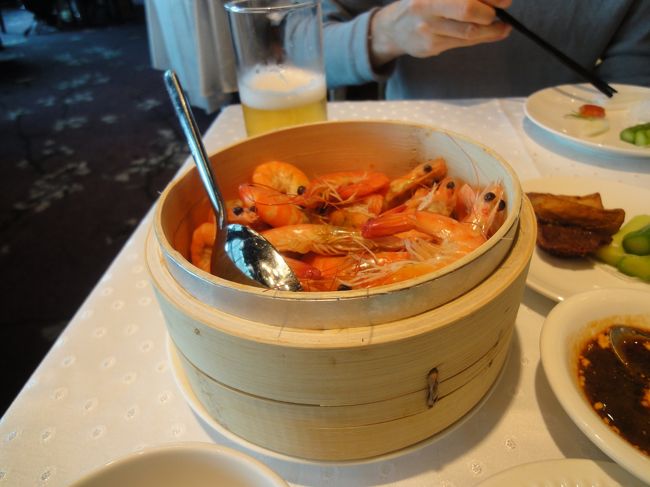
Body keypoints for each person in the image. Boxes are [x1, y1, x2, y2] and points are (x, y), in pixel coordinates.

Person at [321, 0, 650, 99]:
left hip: (574, 158)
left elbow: (631, 101)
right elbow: (300, 55)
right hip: (412, 148)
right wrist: (384, 33)